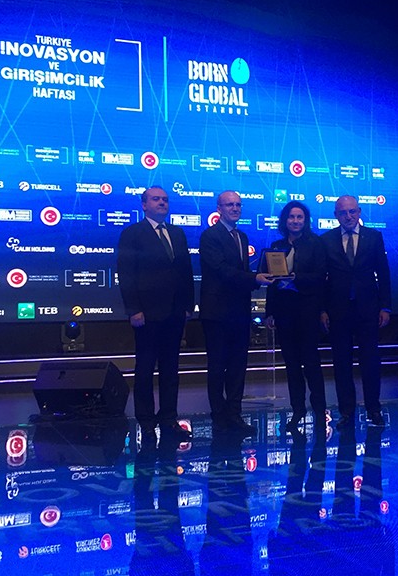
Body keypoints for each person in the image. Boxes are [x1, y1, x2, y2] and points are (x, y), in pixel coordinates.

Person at [117, 186, 194, 445]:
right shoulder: (132, 233)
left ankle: (169, 418)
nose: (162, 203)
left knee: (171, 369)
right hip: (146, 314)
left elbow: (185, 272)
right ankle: (146, 422)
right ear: (144, 205)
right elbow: (126, 274)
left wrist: (188, 305)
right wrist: (133, 309)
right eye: (156, 199)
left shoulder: (177, 233)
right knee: (145, 369)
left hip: (175, 313)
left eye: (165, 200)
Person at [199, 191, 274, 435]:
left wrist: (255, 278)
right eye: (229, 204)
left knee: (238, 367)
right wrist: (255, 278)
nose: (235, 208)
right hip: (217, 313)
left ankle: (235, 414)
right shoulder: (210, 236)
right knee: (217, 367)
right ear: (219, 209)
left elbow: (238, 274)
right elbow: (222, 271)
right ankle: (219, 416)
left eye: (238, 204)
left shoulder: (241, 236)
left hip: (239, 312)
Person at [320, 195, 391, 428]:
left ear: (359, 212)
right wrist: (322, 309)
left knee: (370, 361)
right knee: (341, 364)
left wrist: (385, 306)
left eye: (352, 211)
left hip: (368, 310)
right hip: (338, 311)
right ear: (336, 215)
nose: (348, 216)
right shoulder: (326, 240)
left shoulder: (374, 237)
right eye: (343, 212)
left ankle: (374, 409)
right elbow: (322, 279)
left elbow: (384, 274)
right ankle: (346, 413)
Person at [265, 201, 327, 433]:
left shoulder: (316, 244)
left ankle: (319, 411)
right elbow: (271, 283)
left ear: (305, 220)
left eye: (300, 217)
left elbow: (320, 277)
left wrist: (295, 278)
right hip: (284, 313)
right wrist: (269, 312)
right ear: (285, 220)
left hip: (307, 311)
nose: (295, 221)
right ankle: (297, 410)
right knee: (291, 365)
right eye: (291, 217)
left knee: (311, 364)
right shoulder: (276, 246)